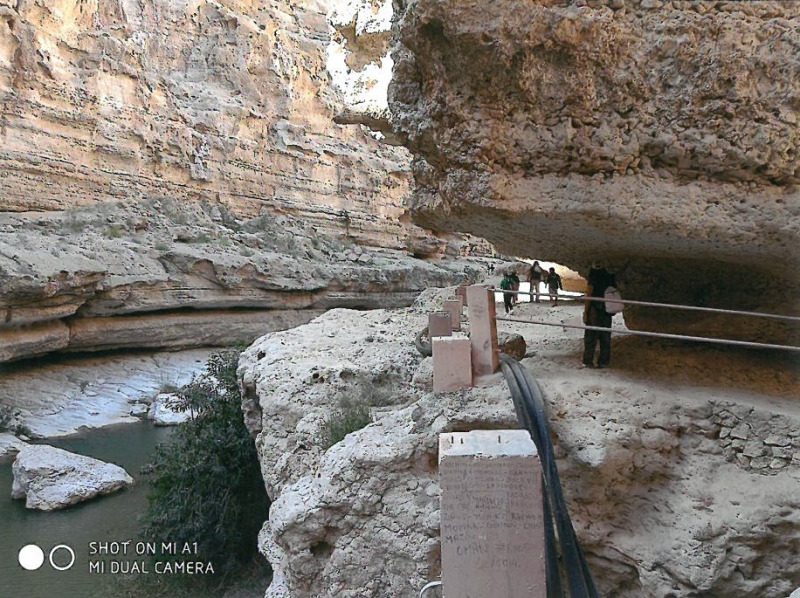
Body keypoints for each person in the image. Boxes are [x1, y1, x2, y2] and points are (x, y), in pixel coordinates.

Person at [582, 266, 615, 368]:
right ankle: (603, 362)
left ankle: (588, 361)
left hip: (595, 309)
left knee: (591, 336)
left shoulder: (594, 274)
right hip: (607, 310)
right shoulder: (610, 276)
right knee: (605, 337)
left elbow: (589, 293)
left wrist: (586, 311)